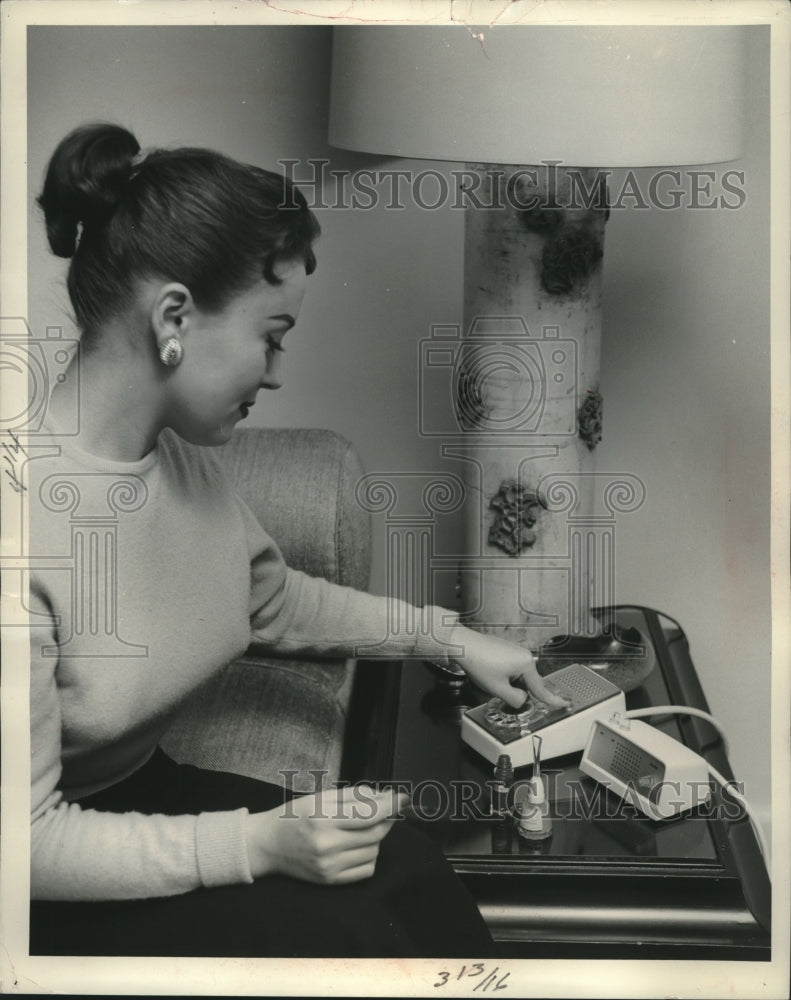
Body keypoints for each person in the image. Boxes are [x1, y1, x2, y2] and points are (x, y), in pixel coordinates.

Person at [27, 123, 569, 958]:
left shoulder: (174, 453)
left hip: (142, 795)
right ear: (173, 314)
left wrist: (448, 637)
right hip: (50, 879)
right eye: (270, 336)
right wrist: (256, 845)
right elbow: (22, 846)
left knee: (407, 869)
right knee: (359, 937)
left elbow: (269, 596)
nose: (276, 374)